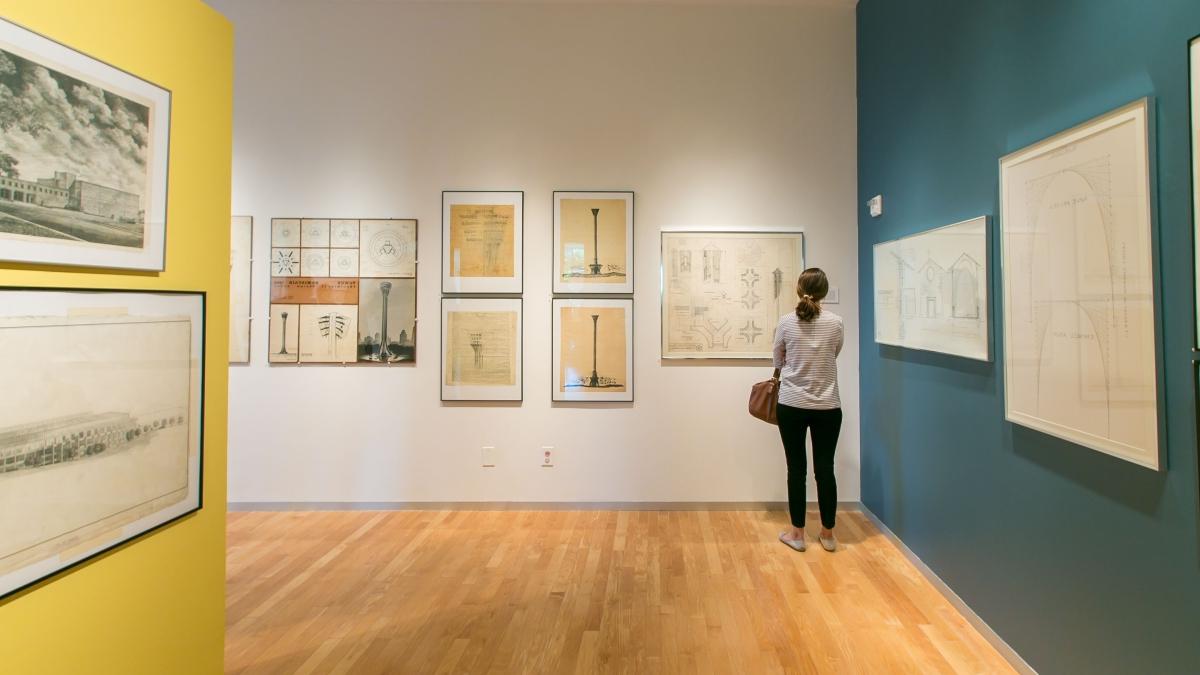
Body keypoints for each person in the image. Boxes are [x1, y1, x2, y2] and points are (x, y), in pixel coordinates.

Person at [772, 268, 843, 553]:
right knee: (825, 469)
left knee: (796, 469)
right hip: (828, 405)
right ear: (825, 291)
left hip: (791, 404)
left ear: (798, 289)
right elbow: (834, 353)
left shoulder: (786, 322)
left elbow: (778, 358)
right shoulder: (836, 322)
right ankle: (827, 534)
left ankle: (797, 535)